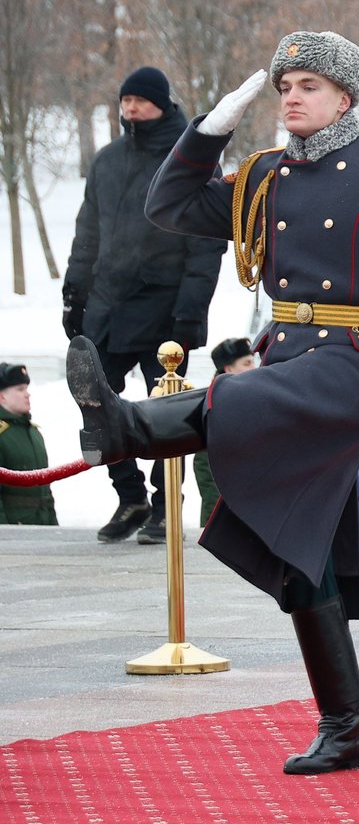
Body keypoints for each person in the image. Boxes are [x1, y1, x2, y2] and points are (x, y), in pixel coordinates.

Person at [68, 30, 359, 776]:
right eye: (285, 86)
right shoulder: (264, 176)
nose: (291, 97)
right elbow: (169, 205)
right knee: (302, 550)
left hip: (357, 360)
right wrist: (209, 129)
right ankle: (344, 728)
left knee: (240, 394)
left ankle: (128, 426)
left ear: (345, 98)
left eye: (309, 85)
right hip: (288, 355)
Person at [62, 66, 226, 544]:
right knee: (95, 403)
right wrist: (74, 295)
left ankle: (165, 504)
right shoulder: (107, 160)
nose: (130, 108)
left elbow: (206, 245)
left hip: (164, 306)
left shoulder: (190, 158)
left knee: (168, 412)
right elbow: (87, 232)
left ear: (161, 102)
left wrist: (189, 314)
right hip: (108, 304)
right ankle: (130, 495)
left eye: (139, 100)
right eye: (125, 100)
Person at [193, 337, 258, 526]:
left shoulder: (254, 396)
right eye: (247, 363)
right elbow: (205, 466)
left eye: (253, 362)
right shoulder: (214, 403)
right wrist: (218, 514)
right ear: (228, 368)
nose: (254, 368)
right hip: (226, 514)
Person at [0, 364, 56, 526]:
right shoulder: (3, 435)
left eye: (26, 388)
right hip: (14, 528)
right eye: (20, 389)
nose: (27, 394)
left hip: (41, 525)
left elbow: (45, 489)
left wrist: (53, 527)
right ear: (2, 397)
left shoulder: (34, 432)